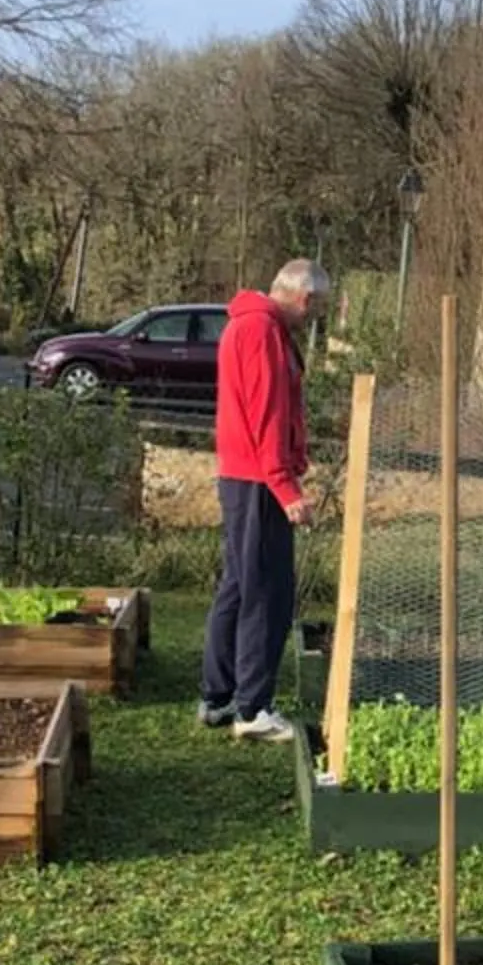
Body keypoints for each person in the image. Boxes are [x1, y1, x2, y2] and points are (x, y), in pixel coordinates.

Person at [200, 257, 330, 740]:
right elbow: (266, 414)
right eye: (317, 311)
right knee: (266, 592)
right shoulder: (261, 332)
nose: (314, 320)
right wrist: (285, 487)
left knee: (238, 584)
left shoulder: (253, 325)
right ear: (304, 297)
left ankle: (218, 696)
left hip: (246, 476)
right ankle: (252, 709)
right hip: (257, 480)